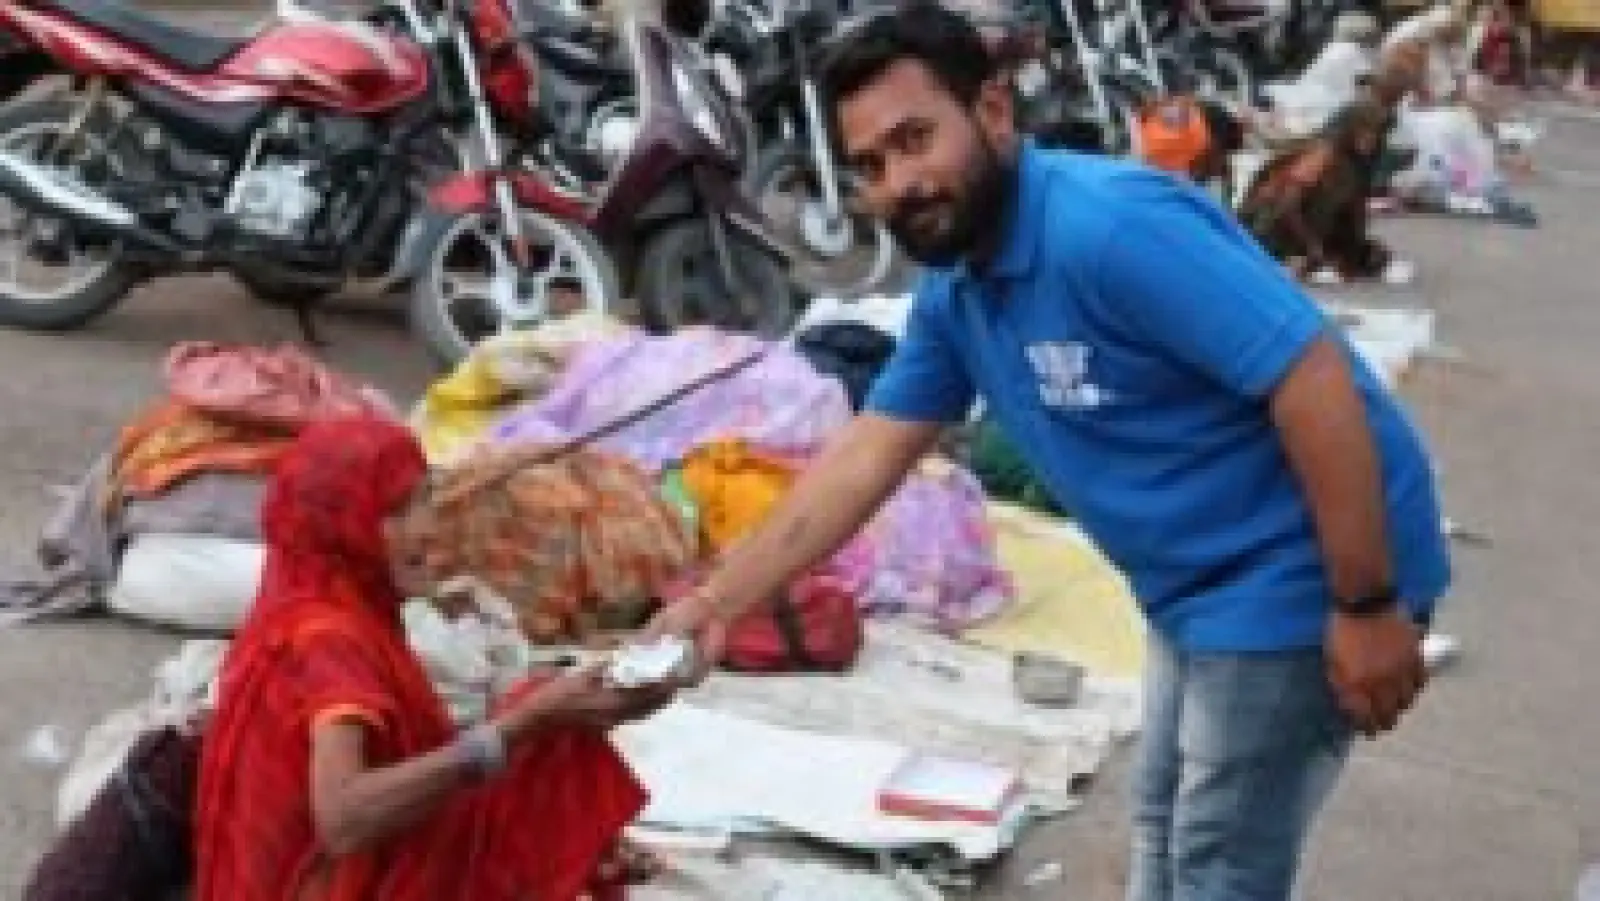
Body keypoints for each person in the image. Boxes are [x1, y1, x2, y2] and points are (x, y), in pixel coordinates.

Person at [648, 4, 1451, 900]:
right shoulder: (958, 284)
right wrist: (715, 604)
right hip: (1193, 582)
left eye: (915, 140)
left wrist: (1365, 603)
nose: (900, 183)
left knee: (1217, 861)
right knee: (1164, 825)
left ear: (994, 110)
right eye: (870, 166)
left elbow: (1313, 378)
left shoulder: (1106, 229)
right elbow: (868, 451)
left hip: (1301, 566)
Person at [194, 417, 676, 901]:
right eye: (396, 512)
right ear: (341, 527)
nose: (425, 529)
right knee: (540, 731)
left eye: (423, 498)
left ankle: (590, 854)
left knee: (540, 727)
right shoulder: (327, 641)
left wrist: (574, 826)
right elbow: (343, 819)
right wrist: (518, 727)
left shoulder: (322, 603)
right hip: (328, 884)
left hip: (340, 872)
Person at [1238, 99, 1403, 283]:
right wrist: (1312, 247)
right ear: (1351, 129)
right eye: (1365, 131)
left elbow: (1353, 212)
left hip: (1311, 231)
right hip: (1270, 228)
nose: (1370, 138)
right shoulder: (1322, 155)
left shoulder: (1357, 165)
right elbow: (1286, 205)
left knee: (1373, 257)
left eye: (1375, 132)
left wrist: (1355, 247)